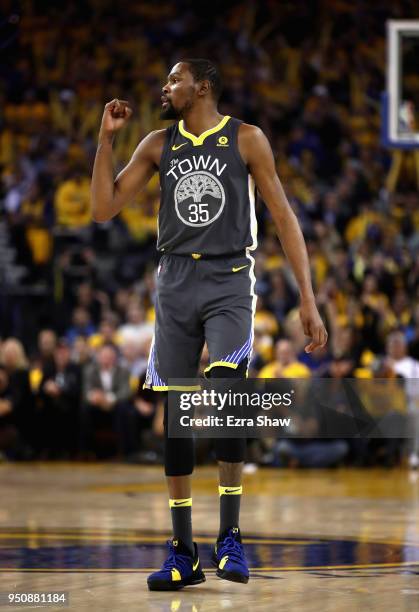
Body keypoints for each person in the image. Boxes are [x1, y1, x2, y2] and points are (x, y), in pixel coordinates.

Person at [91, 59, 328, 590]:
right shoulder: (157, 142)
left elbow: (285, 217)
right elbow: (103, 208)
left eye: (173, 80)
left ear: (201, 87)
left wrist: (307, 300)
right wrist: (105, 140)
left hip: (228, 279)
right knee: (177, 415)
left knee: (225, 396)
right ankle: (182, 551)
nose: (164, 87)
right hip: (174, 281)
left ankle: (230, 536)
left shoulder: (246, 138)